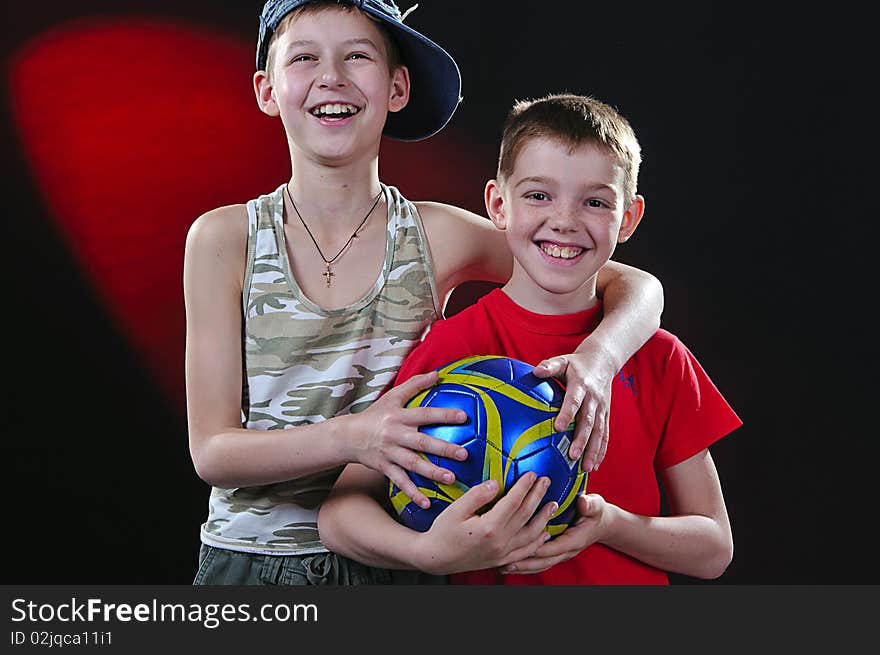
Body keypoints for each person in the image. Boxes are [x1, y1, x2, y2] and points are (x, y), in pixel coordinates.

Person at [184, 0, 663, 585]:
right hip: (251, 563)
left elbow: (634, 283)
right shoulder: (225, 238)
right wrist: (357, 437)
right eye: (305, 57)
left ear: (397, 87)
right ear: (266, 89)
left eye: (357, 57)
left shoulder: (437, 235)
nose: (331, 76)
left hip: (402, 552)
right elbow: (212, 452)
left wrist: (599, 358)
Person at [319, 93, 741, 584]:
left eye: (596, 202)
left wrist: (609, 524)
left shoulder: (659, 357)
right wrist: (425, 551)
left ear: (627, 218)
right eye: (539, 195)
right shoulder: (452, 348)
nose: (564, 220)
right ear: (499, 204)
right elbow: (339, 515)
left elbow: (714, 549)